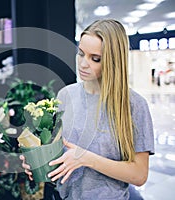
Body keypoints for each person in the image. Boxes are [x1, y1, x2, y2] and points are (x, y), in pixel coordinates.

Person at [20, 19, 154, 200]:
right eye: (81, 53)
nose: (83, 64)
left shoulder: (134, 105)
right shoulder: (66, 95)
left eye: (95, 59)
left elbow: (139, 175)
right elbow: (61, 157)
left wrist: (86, 159)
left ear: (113, 61)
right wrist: (38, 162)